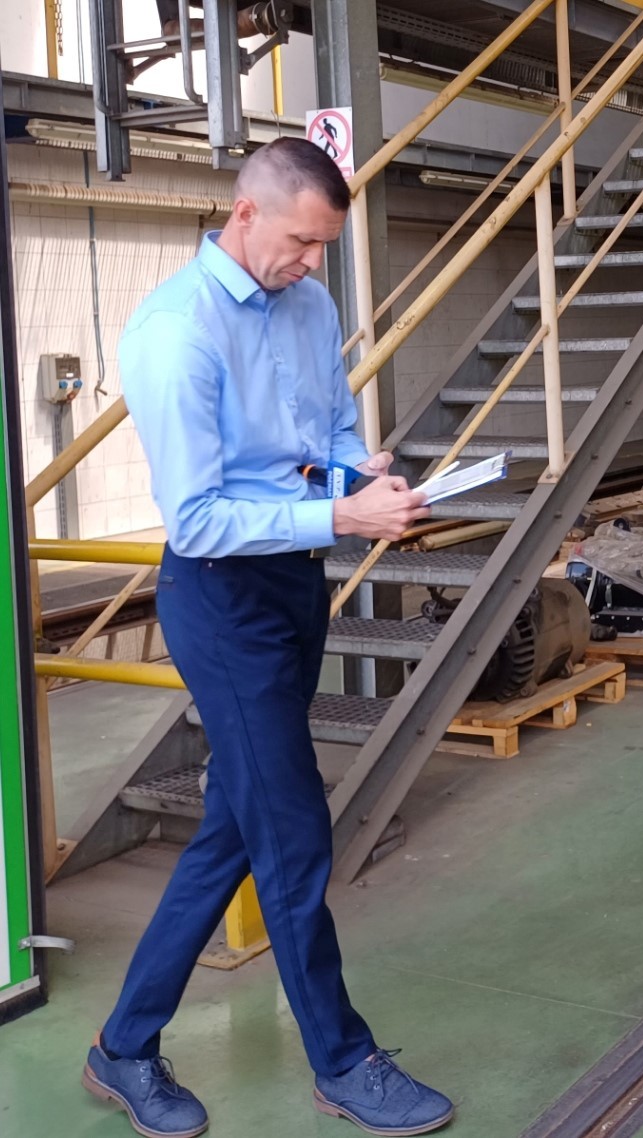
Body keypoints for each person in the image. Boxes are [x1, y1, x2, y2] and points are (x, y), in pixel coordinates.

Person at [82, 138, 454, 1137]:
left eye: (323, 245)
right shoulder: (177, 331)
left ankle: (123, 1045)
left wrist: (358, 478)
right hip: (220, 600)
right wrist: (340, 514)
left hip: (293, 583)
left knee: (236, 829)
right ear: (244, 214)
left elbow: (323, 439)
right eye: (300, 241)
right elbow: (198, 519)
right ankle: (344, 1060)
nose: (311, 262)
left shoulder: (310, 304)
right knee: (291, 830)